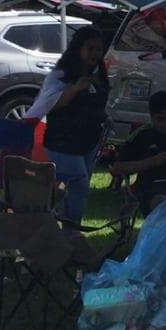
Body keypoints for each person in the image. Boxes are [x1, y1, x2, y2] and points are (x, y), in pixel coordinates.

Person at [25, 25, 112, 225]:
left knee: (79, 184)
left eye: (98, 49)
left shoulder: (98, 72)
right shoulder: (61, 74)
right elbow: (50, 104)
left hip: (89, 140)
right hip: (62, 141)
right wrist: (74, 89)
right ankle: (71, 227)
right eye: (90, 48)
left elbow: (94, 102)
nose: (95, 53)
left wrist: (104, 116)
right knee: (79, 181)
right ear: (78, 48)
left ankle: (64, 225)